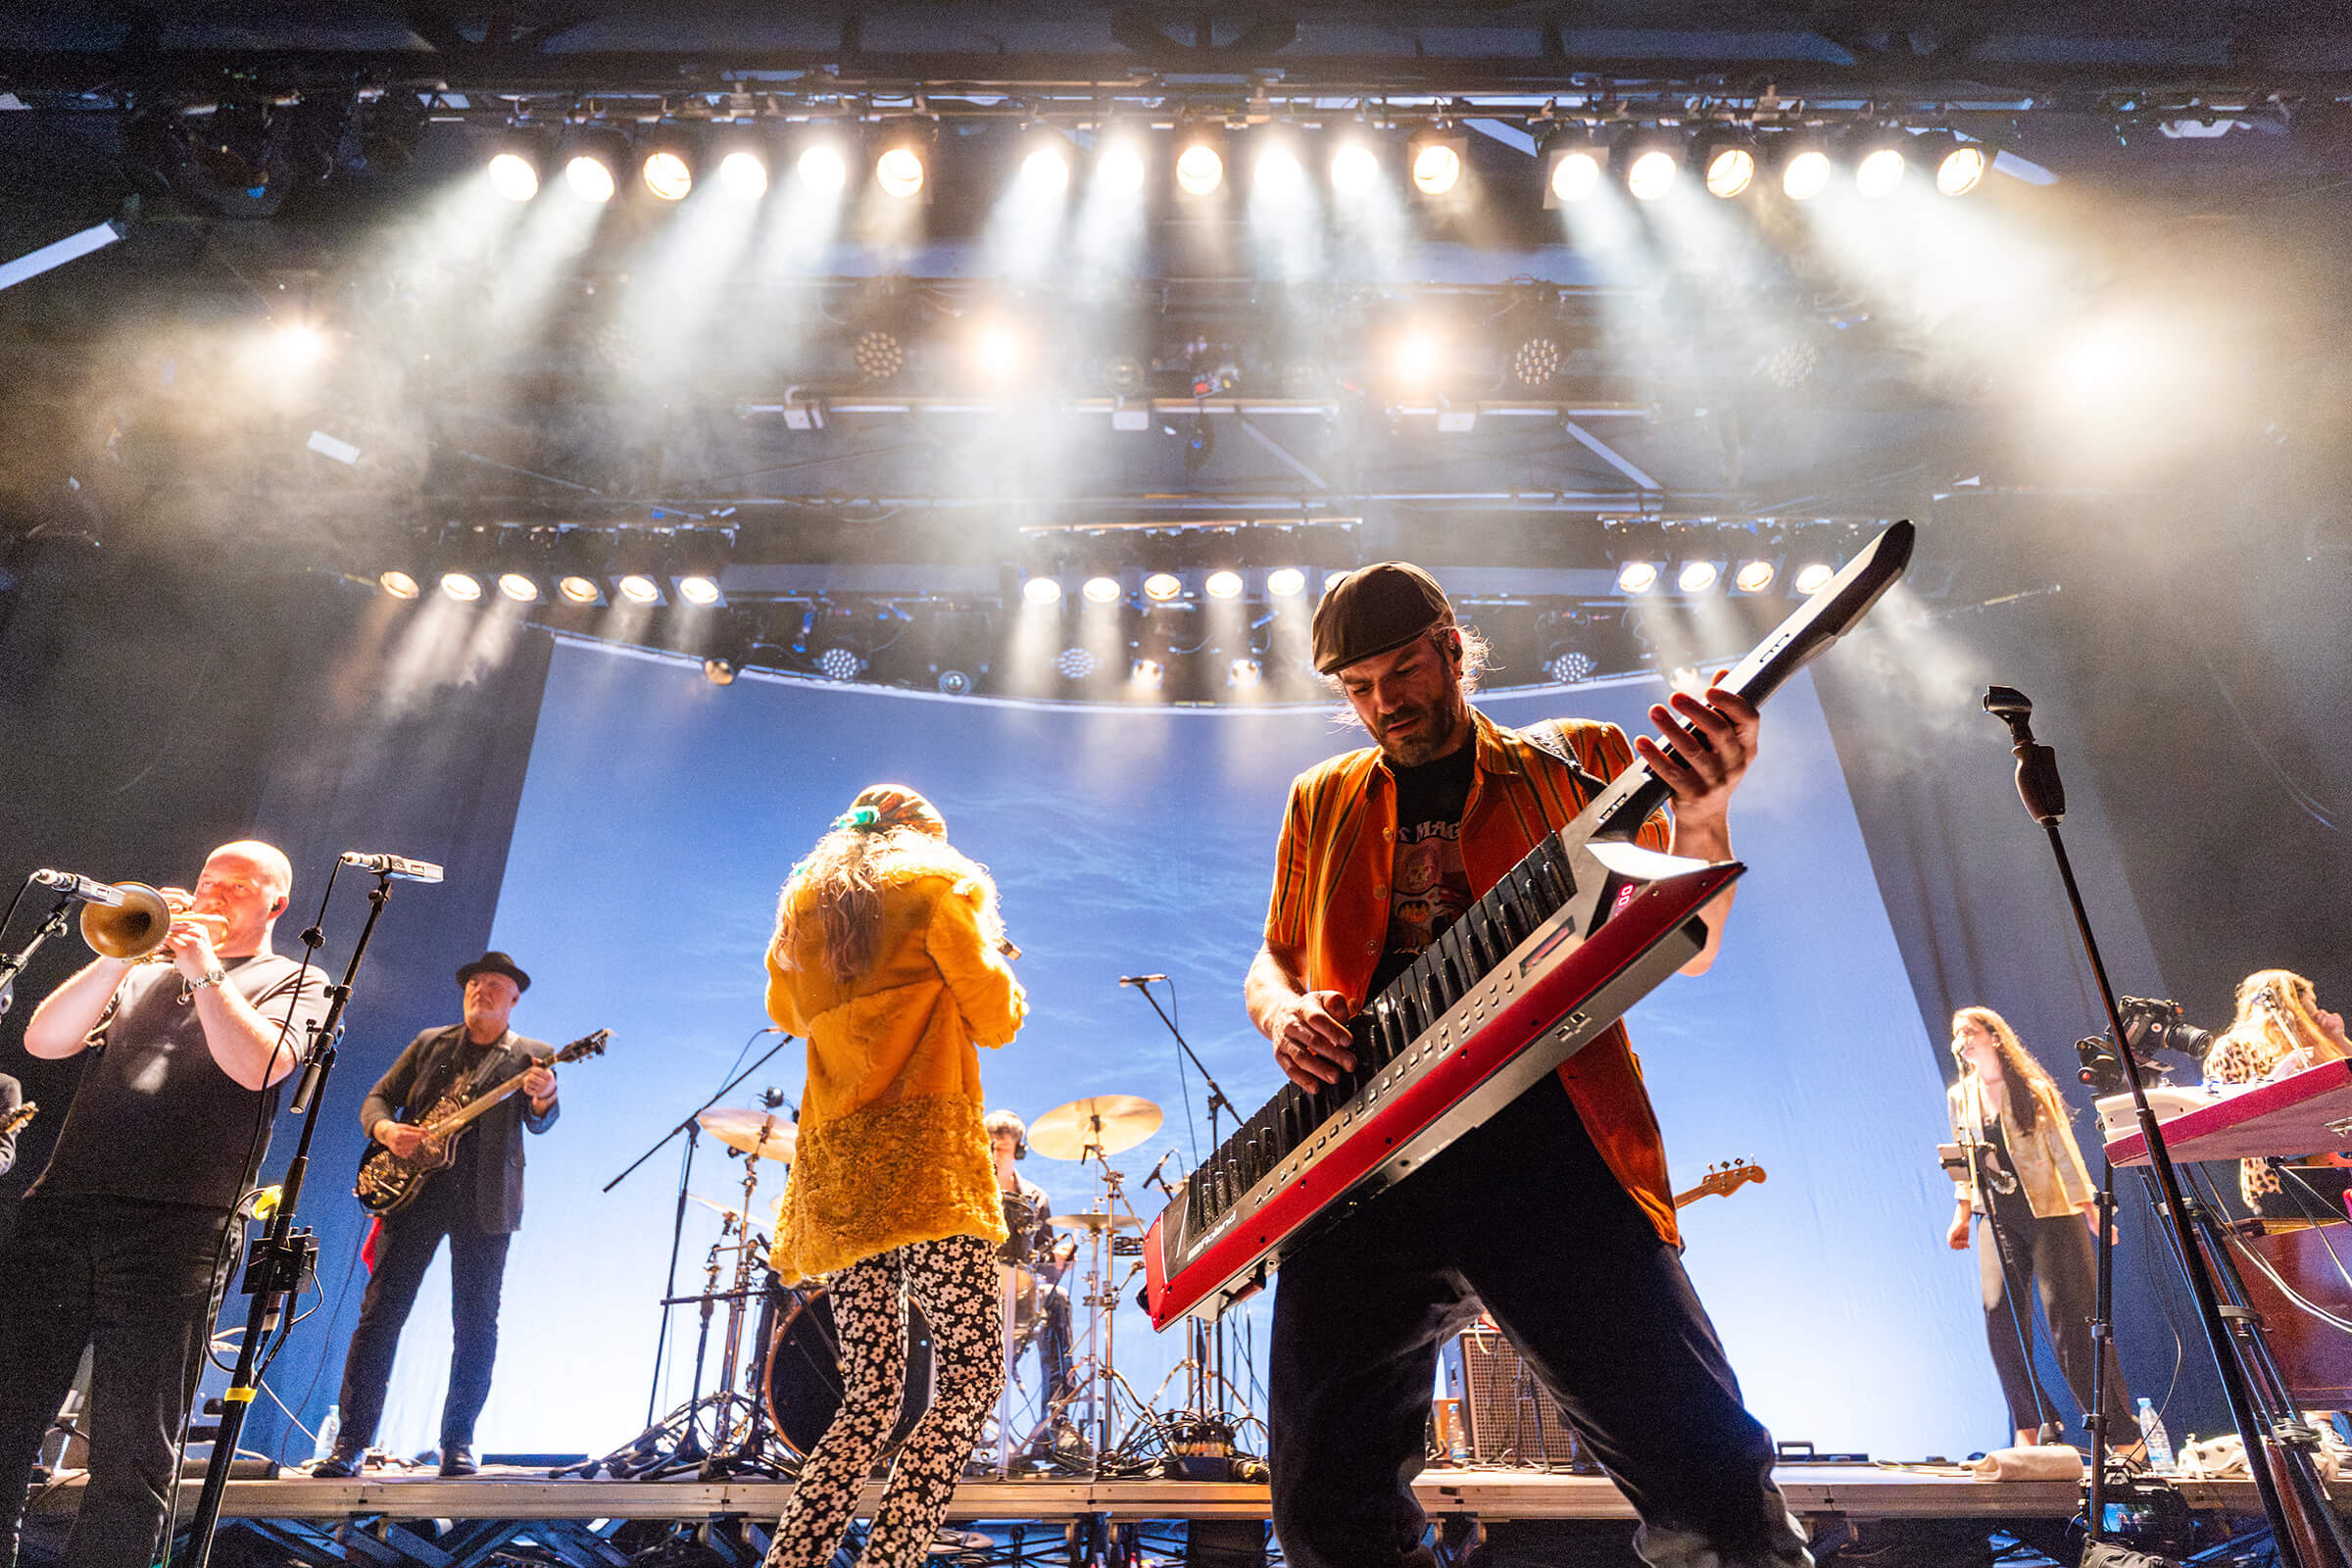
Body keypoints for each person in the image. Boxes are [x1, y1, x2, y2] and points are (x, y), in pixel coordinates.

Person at [1246, 563, 1807, 1568]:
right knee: (1326, 1517)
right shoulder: (1320, 798)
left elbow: (1691, 936)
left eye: (1402, 671)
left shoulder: (1575, 759)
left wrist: (1709, 811)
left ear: (1453, 648)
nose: (1384, 703)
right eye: (1358, 688)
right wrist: (1284, 1013)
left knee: (1710, 1490)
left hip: (1549, 1141)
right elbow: (1277, 954)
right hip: (1360, 1159)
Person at [0, 841, 330, 1568]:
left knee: (132, 1451)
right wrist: (123, 954)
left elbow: (260, 1068)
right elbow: (43, 1040)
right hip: (66, 1207)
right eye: (209, 879)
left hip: (179, 1227)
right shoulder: (140, 969)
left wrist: (204, 969)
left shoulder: (295, 978)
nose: (214, 893)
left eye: (239, 886)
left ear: (276, 903)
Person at [761, 786, 1023, 1568]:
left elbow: (787, 1011)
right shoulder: (940, 888)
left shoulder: (806, 903)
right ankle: (894, 1554)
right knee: (972, 1374)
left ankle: (795, 1559)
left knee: (870, 1396)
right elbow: (998, 1019)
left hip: (841, 1172)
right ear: (926, 837)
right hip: (924, 1167)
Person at [314, 952, 559, 1478]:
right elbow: (379, 1097)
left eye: (494, 985)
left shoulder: (533, 1055)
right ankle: (352, 1443)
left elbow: (541, 1122)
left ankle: (458, 1442)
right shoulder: (430, 1043)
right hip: (411, 1197)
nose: (481, 990)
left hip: (485, 1204)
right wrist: (387, 1133)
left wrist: (543, 1100)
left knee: (475, 1325)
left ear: (515, 998)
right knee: (379, 1318)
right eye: (474, 982)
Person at [1944, 1006, 2138, 1456]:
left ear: (1994, 1037)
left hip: (2051, 1211)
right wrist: (1960, 1214)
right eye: (1956, 1035)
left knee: (2070, 1323)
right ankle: (2032, 1425)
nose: (1962, 1041)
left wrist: (2092, 1209)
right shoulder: (1961, 1095)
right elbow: (1963, 1160)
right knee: (2000, 1317)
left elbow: (2064, 1151)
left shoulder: (2030, 1089)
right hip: (1996, 1214)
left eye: (1969, 1032)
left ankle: (2120, 1433)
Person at [2203, 969, 2352, 1218]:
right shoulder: (2234, 1046)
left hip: (2337, 1166)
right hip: (2281, 1178)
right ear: (2291, 1002)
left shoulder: (2316, 1043)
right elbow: (2225, 1111)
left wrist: (2338, 1040)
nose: (2316, 1011)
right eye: (2311, 1003)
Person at [983, 1109, 1076, 1438]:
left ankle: (1055, 1427)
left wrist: (1061, 1258)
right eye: (991, 1148)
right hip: (977, 1291)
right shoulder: (971, 1194)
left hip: (1022, 1292)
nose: (996, 1155)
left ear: (1018, 1149)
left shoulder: (1036, 1197)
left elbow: (1045, 1256)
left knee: (1059, 1300)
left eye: (1003, 1149)